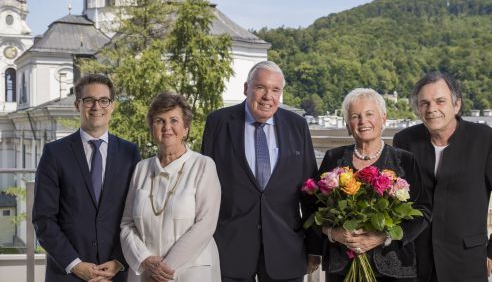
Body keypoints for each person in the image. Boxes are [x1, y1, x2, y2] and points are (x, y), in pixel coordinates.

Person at [393, 72, 492, 282]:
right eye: (424, 103)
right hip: (415, 261)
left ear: (457, 104)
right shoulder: (404, 141)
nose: (432, 109)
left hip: (468, 260)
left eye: (440, 101)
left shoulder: (486, 140)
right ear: (418, 109)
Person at [201, 61, 321, 282]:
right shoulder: (218, 123)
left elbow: (310, 192)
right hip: (229, 249)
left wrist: (314, 247)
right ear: (246, 88)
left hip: (286, 250)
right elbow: (205, 189)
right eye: (260, 87)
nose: (268, 96)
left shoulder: (298, 126)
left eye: (275, 90)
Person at [33, 73, 141, 281]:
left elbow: (137, 215)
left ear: (112, 106)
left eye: (103, 100)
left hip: (116, 272)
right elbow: (43, 219)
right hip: (68, 274)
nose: (96, 106)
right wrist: (76, 265)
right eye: (89, 100)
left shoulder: (130, 153)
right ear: (77, 105)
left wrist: (119, 261)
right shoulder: (54, 153)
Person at [318, 88, 433, 282]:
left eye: (370, 114)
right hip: (342, 270)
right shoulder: (333, 158)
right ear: (347, 125)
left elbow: (423, 211)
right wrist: (334, 233)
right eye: (355, 116)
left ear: (383, 119)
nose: (363, 121)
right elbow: (316, 210)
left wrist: (384, 236)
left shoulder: (404, 161)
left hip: (394, 269)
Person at [120, 92, 221, 281]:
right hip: (145, 272)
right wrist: (144, 258)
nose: (167, 127)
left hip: (190, 271)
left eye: (174, 120)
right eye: (159, 121)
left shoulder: (203, 166)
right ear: (152, 128)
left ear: (186, 128)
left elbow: (205, 225)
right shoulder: (141, 169)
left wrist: (165, 268)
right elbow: (127, 224)